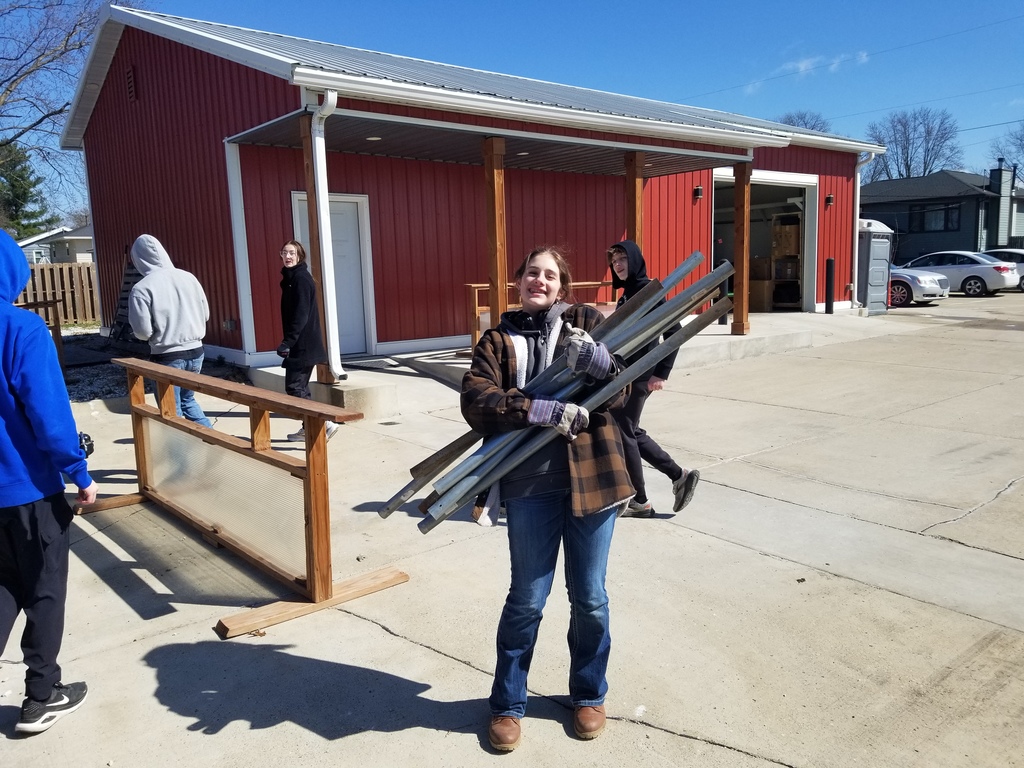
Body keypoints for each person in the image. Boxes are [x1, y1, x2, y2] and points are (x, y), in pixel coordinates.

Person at [461, 246, 633, 751]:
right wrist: (536, 408)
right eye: (532, 273)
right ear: (519, 281)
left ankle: (588, 694)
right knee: (527, 600)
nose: (540, 280)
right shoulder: (498, 338)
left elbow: (622, 392)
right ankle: (507, 705)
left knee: (591, 598)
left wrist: (602, 364)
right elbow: (476, 399)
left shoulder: (585, 320)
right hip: (530, 484)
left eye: (550, 275)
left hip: (594, 478)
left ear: (563, 286)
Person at [0, 229, 97, 735]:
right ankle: (42, 694)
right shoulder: (22, 329)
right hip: (28, 492)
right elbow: (50, 416)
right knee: (43, 589)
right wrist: (78, 471)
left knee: (1, 583)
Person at [607, 240, 700, 517]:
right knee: (630, 430)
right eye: (614, 261)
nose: (618, 265)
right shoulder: (628, 294)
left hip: (640, 374)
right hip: (626, 372)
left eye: (623, 258)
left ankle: (639, 500)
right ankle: (678, 475)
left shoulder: (649, 292)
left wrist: (661, 372)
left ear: (635, 260)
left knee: (624, 430)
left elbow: (674, 331)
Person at [128, 234, 213, 428]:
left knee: (171, 411)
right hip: (197, 351)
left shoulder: (142, 288)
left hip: (167, 356)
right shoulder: (189, 277)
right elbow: (206, 314)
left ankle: (180, 454)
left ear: (138, 259)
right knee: (188, 401)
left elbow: (143, 331)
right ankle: (213, 443)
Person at [277, 240, 338, 442]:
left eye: (292, 253)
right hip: (301, 345)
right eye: (284, 252)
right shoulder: (292, 278)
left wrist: (287, 342)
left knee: (294, 388)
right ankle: (310, 427)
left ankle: (323, 424)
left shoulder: (301, 279)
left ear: (299, 256)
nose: (288, 256)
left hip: (304, 346)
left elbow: (300, 316)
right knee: (299, 388)